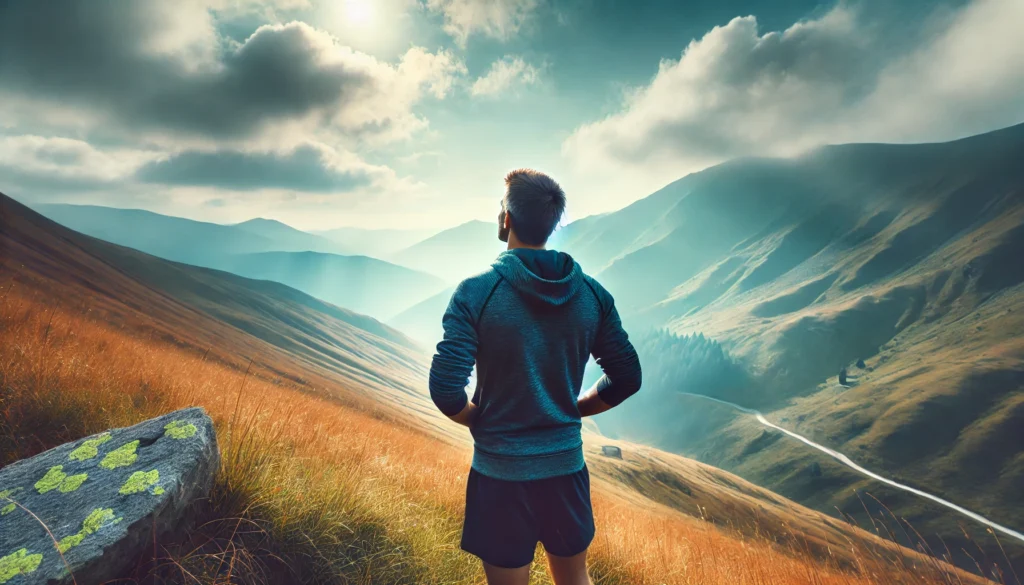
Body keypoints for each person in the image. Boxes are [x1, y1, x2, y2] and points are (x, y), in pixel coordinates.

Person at [428, 169, 643, 585]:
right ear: (552, 225)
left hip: (501, 474)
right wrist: (574, 409)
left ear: (506, 219)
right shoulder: (593, 294)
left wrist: (482, 419)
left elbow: (445, 389)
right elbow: (627, 377)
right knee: (575, 579)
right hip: (566, 469)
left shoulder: (477, 292)